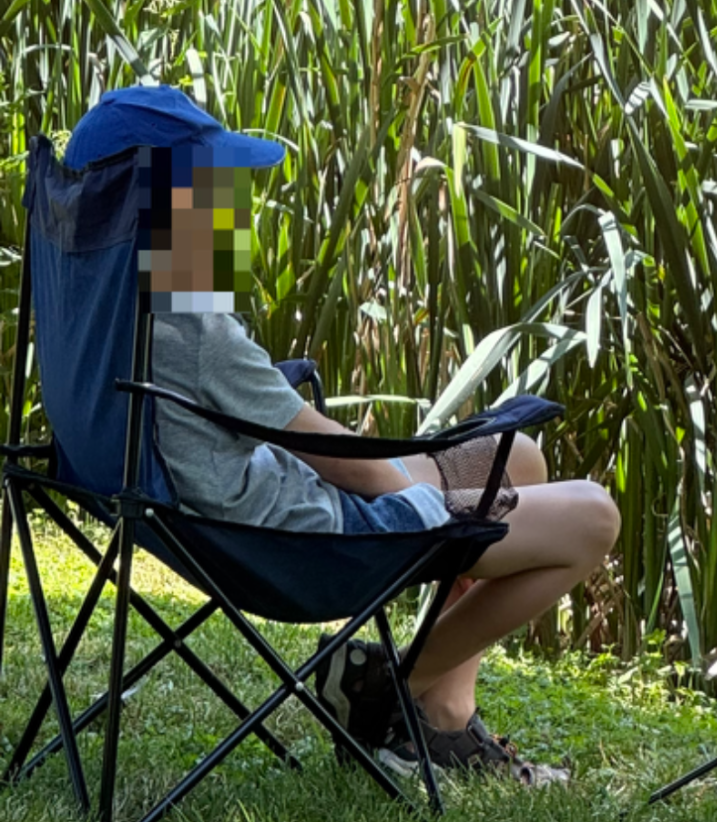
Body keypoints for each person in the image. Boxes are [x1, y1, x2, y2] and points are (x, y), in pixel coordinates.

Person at [62, 85, 621, 784]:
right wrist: (411, 506)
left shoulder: (96, 313)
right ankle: (379, 689)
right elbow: (332, 455)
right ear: (153, 204)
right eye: (204, 185)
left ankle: (441, 712)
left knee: (523, 460)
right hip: (299, 536)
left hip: (217, 510)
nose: (222, 202)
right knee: (594, 518)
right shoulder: (190, 323)